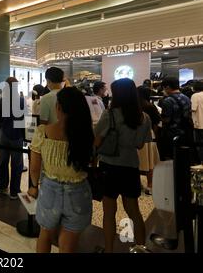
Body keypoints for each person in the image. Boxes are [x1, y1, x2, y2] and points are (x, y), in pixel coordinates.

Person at [28, 87, 94, 253]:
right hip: (79, 192)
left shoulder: (43, 132)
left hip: (50, 190)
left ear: (58, 107)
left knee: (45, 234)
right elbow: (91, 162)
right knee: (69, 241)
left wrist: (34, 186)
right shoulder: (87, 134)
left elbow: (35, 167)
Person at [95, 78, 152, 253]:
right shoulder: (144, 117)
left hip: (109, 166)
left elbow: (97, 141)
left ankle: (109, 250)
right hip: (130, 167)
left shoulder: (109, 114)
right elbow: (140, 145)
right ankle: (141, 248)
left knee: (109, 213)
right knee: (134, 211)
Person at [0, 77, 26, 200]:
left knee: (3, 162)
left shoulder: (2, 100)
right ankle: (14, 191)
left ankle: (1, 187)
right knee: (16, 164)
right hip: (17, 135)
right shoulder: (22, 100)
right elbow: (25, 119)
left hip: (4, 135)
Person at [159, 76, 193, 160]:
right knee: (182, 157)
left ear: (167, 87)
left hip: (172, 133)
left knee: (171, 158)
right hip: (185, 132)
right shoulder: (186, 98)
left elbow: (166, 119)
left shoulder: (168, 100)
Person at [137, 86, 161, 195]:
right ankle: (150, 184)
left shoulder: (134, 106)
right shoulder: (150, 106)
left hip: (136, 136)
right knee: (150, 162)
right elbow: (156, 123)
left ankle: (137, 184)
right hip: (149, 136)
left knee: (137, 161)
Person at [191, 81, 203, 162]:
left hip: (199, 124)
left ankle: (201, 163)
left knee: (200, 146)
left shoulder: (195, 96)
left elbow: (193, 109)